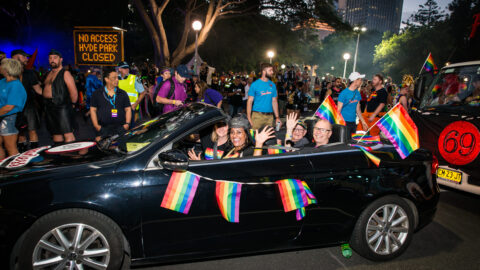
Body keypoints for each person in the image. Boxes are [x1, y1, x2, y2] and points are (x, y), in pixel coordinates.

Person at [43, 49, 78, 145]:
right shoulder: (48, 74)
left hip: (62, 106)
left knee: (68, 134)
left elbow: (73, 92)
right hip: (49, 107)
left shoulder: (65, 73)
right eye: (50, 58)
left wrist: (72, 105)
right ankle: (61, 157)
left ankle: (72, 157)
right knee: (55, 134)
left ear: (61, 59)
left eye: (55, 58)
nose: (52, 60)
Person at [11, 49, 43, 151]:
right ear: (16, 57)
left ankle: (34, 154)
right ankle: (22, 154)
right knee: (19, 132)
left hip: (29, 106)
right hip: (13, 107)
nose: (27, 59)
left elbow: (39, 90)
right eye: (24, 56)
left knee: (32, 130)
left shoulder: (30, 73)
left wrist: (53, 94)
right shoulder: (7, 73)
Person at [90, 67, 132, 141]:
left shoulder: (122, 93)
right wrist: (96, 126)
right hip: (102, 129)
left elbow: (128, 109)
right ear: (106, 79)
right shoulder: (97, 93)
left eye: (117, 77)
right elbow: (93, 110)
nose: (117, 80)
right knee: (103, 150)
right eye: (114, 78)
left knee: (120, 150)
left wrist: (127, 124)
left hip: (120, 129)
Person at [0, 58, 27, 158]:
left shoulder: (15, 85)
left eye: (1, 65)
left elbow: (9, 107)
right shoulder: (2, 82)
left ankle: (17, 172)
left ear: (6, 69)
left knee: (10, 146)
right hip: (2, 115)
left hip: (10, 118)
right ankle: (2, 171)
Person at [247, 63, 281, 130]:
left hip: (270, 117)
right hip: (257, 116)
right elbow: (249, 101)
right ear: (264, 71)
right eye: (270, 70)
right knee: (255, 138)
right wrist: (249, 117)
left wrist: (277, 117)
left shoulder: (273, 85)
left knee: (268, 139)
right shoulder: (255, 84)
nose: (272, 72)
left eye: (272, 70)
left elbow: (274, 101)